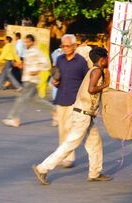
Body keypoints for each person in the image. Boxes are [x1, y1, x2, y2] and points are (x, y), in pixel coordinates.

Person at [33, 47, 112, 185]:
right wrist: (106, 84)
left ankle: (95, 173)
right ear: (101, 59)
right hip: (82, 115)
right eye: (106, 58)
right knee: (70, 144)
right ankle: (42, 168)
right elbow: (91, 89)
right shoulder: (97, 71)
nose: (108, 60)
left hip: (85, 115)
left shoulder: (94, 70)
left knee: (95, 143)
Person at [2, 34, 55, 127]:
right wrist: (20, 65)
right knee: (36, 100)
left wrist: (38, 70)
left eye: (28, 42)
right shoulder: (28, 52)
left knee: (21, 99)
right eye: (25, 42)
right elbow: (28, 65)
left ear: (33, 42)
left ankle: (14, 118)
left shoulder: (36, 51)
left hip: (31, 80)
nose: (26, 44)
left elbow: (46, 64)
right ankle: (55, 111)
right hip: (27, 79)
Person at [53, 34, 89, 168]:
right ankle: (62, 156)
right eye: (63, 46)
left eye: (68, 46)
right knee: (62, 129)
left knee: (69, 128)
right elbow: (57, 78)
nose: (65, 48)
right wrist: (55, 82)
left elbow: (86, 80)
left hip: (74, 100)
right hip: (61, 97)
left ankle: (69, 157)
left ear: (74, 46)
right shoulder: (60, 59)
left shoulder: (81, 61)